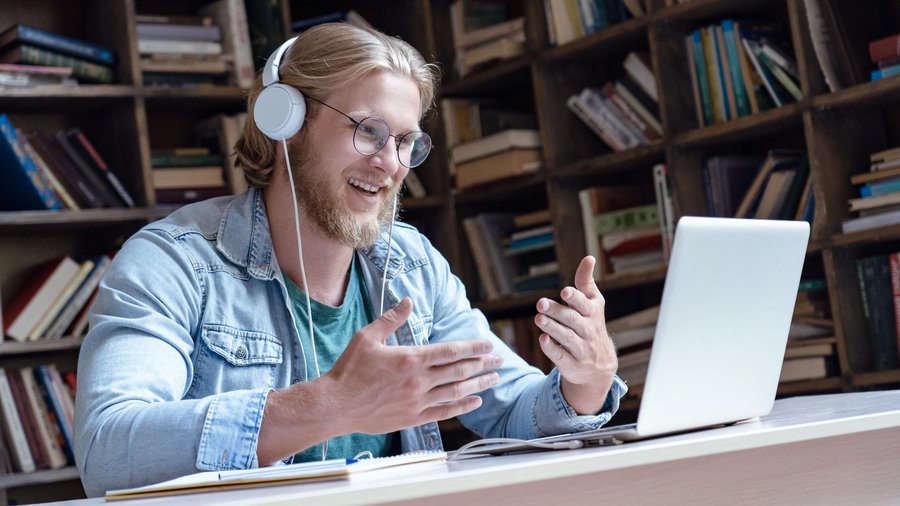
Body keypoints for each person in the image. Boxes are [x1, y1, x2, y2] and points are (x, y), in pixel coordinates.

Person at [74, 22, 626, 497]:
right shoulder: (173, 263)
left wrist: (585, 382)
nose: (390, 164)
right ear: (285, 123)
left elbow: (509, 411)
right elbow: (109, 447)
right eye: (369, 132)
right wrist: (330, 405)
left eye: (407, 141)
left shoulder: (411, 263)